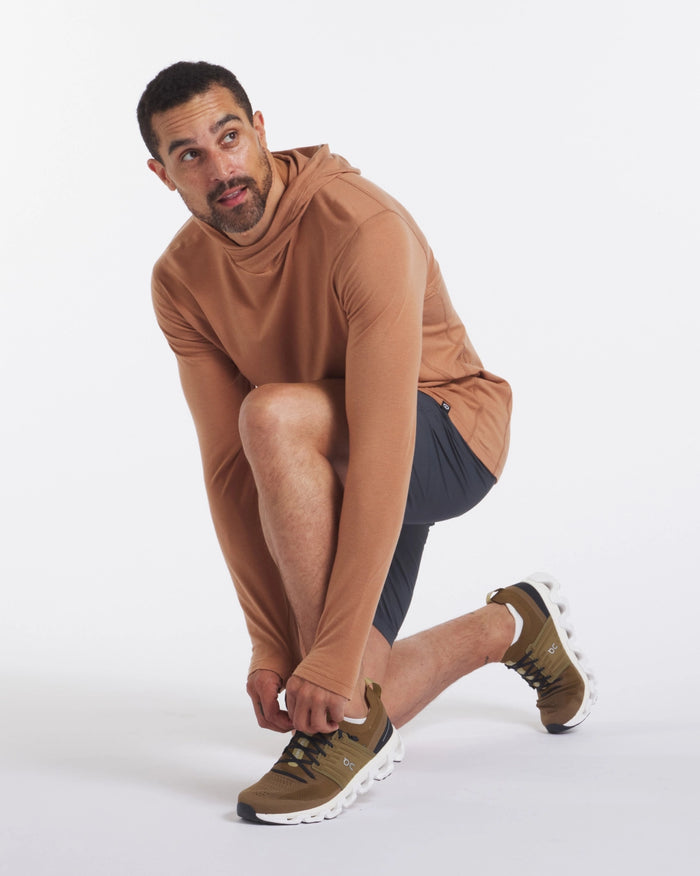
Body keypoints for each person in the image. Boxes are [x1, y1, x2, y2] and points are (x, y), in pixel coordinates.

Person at [137, 60, 596, 825]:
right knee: (363, 687)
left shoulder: (362, 226)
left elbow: (381, 440)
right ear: (162, 174)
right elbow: (226, 471)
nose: (221, 169)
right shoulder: (180, 279)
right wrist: (271, 644)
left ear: (259, 131)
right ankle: (515, 623)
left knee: (272, 417)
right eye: (190, 155)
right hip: (320, 459)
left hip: (445, 433)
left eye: (228, 137)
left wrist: (329, 656)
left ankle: (348, 719)